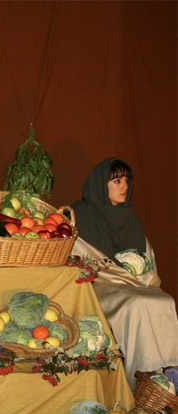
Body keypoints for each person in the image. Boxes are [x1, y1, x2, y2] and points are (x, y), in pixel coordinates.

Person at [71, 157, 178, 389]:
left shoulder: (130, 217)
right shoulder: (81, 213)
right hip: (101, 285)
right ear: (101, 184)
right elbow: (82, 256)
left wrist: (138, 277)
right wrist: (120, 275)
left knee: (165, 302)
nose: (124, 187)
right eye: (116, 181)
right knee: (138, 304)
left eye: (127, 181)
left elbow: (148, 261)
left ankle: (166, 383)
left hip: (135, 284)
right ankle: (139, 383)